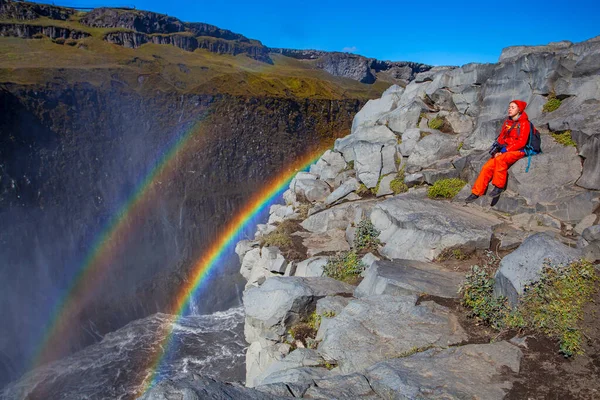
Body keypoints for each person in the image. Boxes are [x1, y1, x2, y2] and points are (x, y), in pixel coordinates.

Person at [465, 100, 530, 203]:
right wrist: (497, 149)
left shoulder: (524, 123)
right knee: (487, 167)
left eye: (513, 107)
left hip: (518, 151)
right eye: (509, 107)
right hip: (505, 150)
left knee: (500, 159)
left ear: (519, 110)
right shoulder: (508, 122)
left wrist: (505, 150)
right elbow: (501, 138)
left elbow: (521, 143)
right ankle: (476, 193)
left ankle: (498, 187)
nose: (510, 109)